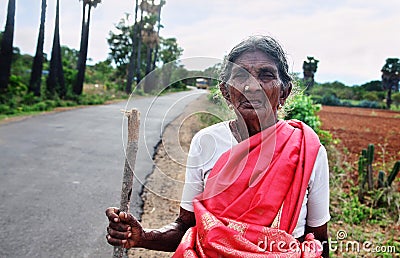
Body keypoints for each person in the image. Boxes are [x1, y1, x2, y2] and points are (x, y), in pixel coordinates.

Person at [106, 35, 330, 257]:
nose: (252, 86)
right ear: (225, 92)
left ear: (284, 92)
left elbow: (318, 240)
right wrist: (143, 237)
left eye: (266, 75)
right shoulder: (206, 142)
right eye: (241, 76)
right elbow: (186, 227)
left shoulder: (307, 151)